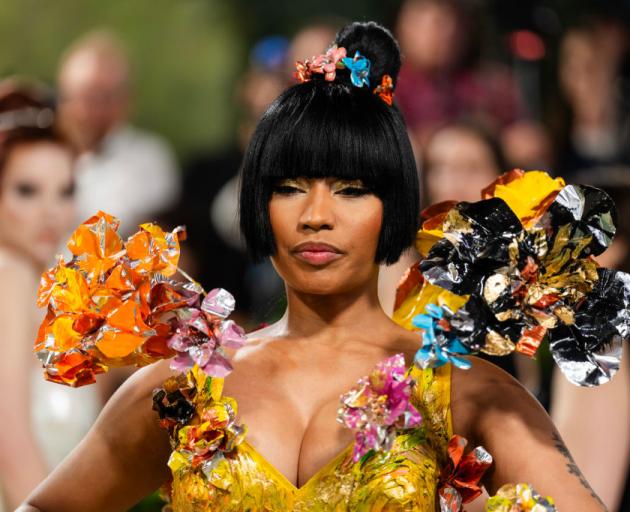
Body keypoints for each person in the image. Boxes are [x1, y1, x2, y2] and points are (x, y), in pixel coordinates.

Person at [22, 23, 605, 511]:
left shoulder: (462, 390)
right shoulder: (182, 388)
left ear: (393, 208)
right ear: (258, 205)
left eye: (351, 190)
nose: (316, 216)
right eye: (289, 188)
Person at [0, 80, 98, 509]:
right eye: (27, 190)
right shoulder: (11, 275)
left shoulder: (43, 283)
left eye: (65, 190)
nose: (50, 211)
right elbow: (11, 446)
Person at [57, 30, 180, 235]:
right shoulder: (36, 157)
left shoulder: (150, 158)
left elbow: (160, 240)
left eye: (107, 97)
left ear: (127, 100)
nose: (94, 110)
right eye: (86, 96)